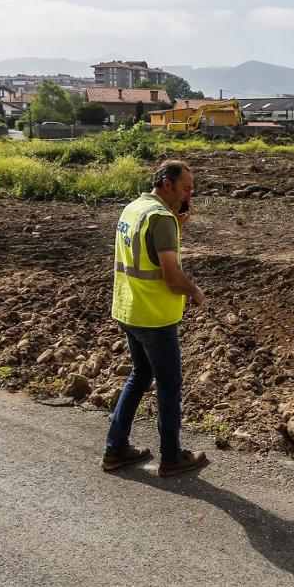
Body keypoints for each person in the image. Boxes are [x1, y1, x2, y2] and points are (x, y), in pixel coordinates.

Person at [101, 160, 208, 477]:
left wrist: (178, 226)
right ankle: (172, 457)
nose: (188, 195)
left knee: (141, 375)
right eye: (186, 189)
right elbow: (172, 277)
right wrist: (196, 292)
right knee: (170, 383)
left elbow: (143, 251)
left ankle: (116, 449)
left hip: (129, 310)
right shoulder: (162, 219)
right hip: (154, 317)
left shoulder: (134, 209)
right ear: (166, 184)